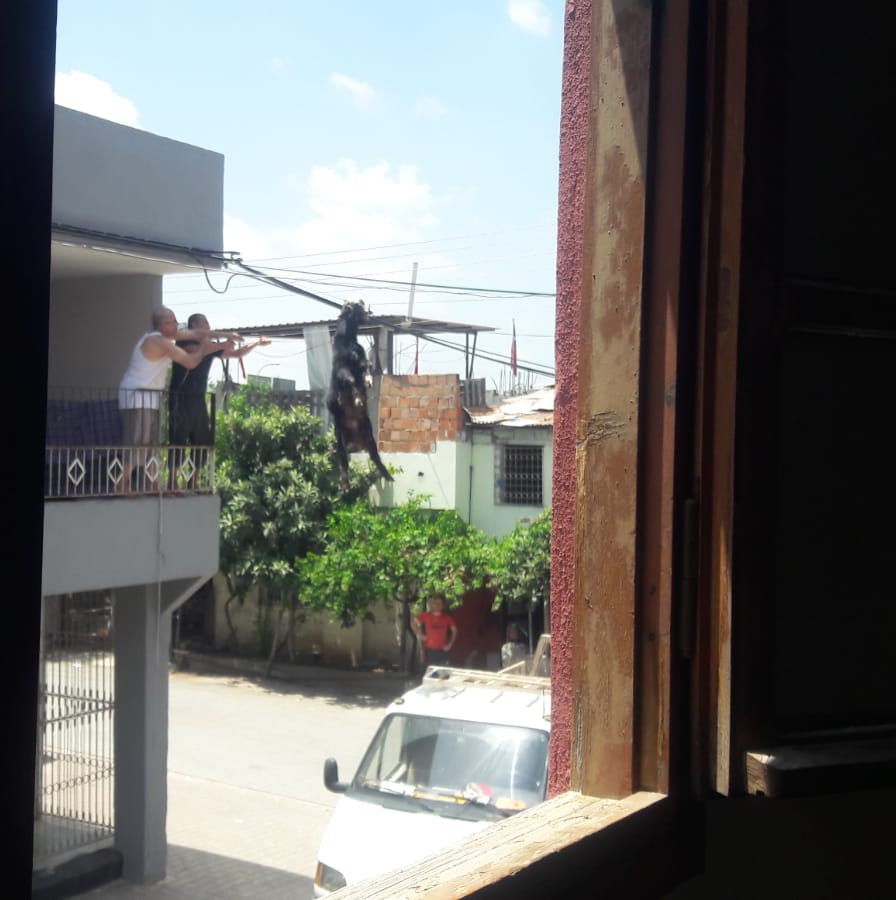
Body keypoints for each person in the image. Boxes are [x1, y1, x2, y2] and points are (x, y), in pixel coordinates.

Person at [117, 306, 241, 492]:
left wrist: (226, 335)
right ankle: (122, 484)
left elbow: (197, 334)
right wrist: (208, 348)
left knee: (151, 445)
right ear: (164, 325)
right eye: (173, 321)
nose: (177, 324)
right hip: (137, 397)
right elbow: (190, 361)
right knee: (138, 443)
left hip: (149, 398)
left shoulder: (167, 337)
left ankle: (152, 485)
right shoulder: (158, 341)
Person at [167, 313, 270, 486]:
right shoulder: (184, 339)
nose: (208, 327)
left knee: (201, 439)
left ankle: (193, 481)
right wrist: (222, 344)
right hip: (180, 397)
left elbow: (236, 353)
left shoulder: (210, 346)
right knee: (178, 439)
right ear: (194, 326)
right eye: (205, 324)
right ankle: (172, 482)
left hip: (198, 398)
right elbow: (194, 351)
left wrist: (256, 343)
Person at [411, 593, 458, 667]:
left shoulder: (447, 618)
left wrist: (450, 644)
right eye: (435, 603)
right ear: (432, 604)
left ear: (443, 606)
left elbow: (454, 630)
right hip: (429, 650)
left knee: (441, 671)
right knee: (429, 671)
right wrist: (420, 634)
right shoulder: (426, 615)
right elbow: (413, 623)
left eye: (439, 603)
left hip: (442, 650)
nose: (437, 605)